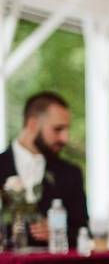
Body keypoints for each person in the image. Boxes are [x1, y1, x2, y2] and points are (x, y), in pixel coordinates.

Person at [0, 91, 88, 248]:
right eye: (58, 129)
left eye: (66, 130)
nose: (65, 138)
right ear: (33, 124)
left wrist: (59, 232)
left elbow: (83, 231)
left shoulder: (70, 173)